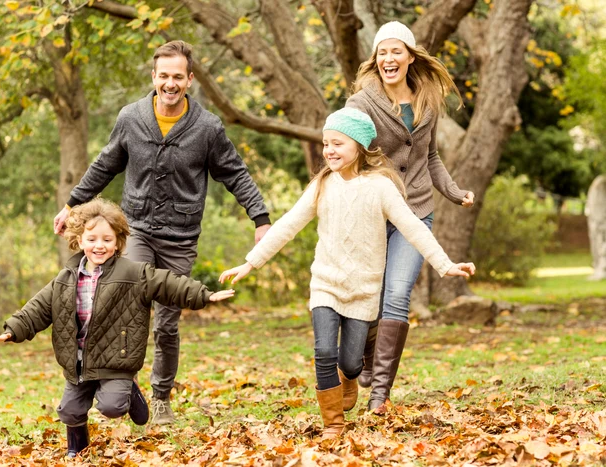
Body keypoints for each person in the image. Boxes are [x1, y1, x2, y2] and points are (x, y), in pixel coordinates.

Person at [219, 108, 475, 440]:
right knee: (325, 351)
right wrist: (250, 262)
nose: (329, 151)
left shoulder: (381, 188)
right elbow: (287, 226)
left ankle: (350, 377)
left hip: (364, 291)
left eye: (337, 143)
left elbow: (413, 228)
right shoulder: (322, 185)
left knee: (351, 363)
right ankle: (333, 425)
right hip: (326, 284)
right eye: (326, 143)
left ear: (359, 145)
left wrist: (445, 264)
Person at [51, 40, 271, 425]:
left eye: (178, 77)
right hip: (135, 230)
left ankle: (161, 395)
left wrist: (261, 218)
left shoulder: (206, 127)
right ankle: (123, 380)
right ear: (154, 77)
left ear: (190, 80)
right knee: (123, 305)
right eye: (163, 76)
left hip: (180, 238)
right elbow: (106, 164)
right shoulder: (131, 117)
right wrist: (72, 203)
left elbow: (234, 173)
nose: (170, 83)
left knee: (168, 322)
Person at [0, 199, 235, 457]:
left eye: (107, 239)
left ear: (117, 242)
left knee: (112, 407)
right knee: (69, 410)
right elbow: (37, 308)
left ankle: (127, 390)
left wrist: (204, 295)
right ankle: (77, 446)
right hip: (78, 362)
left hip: (117, 359)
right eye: (92, 239)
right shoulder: (66, 277)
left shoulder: (133, 273)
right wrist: (13, 330)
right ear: (80, 241)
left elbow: (167, 284)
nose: (99, 246)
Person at [345, 21, 476, 414]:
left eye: (396, 51)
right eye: (382, 52)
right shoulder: (361, 105)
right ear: (375, 59)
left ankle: (379, 395)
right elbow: (350, 157)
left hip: (416, 212)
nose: (389, 58)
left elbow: (430, 157)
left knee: (398, 295)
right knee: (369, 295)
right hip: (373, 212)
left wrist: (454, 192)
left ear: (410, 56)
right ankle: (365, 359)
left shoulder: (427, 101)